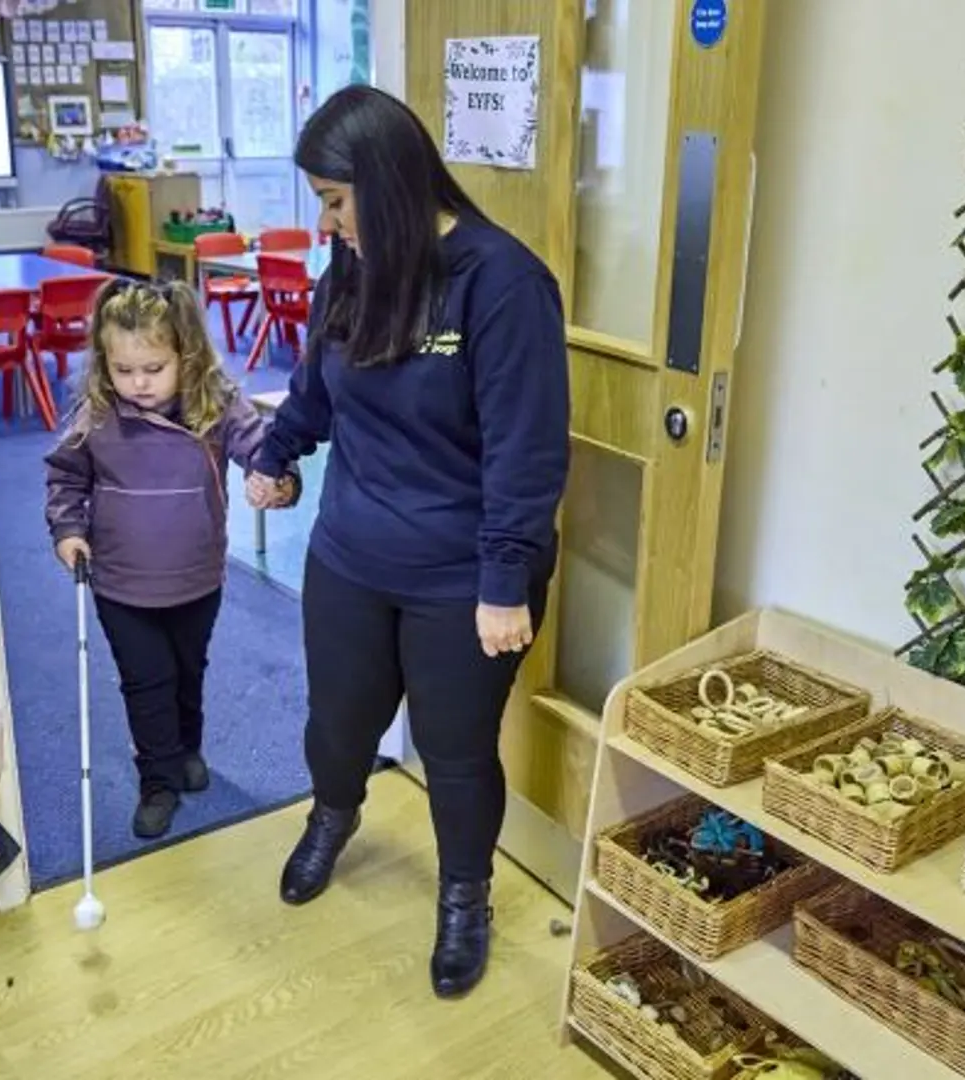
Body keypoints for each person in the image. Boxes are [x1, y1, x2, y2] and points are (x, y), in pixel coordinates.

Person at [246, 85, 569, 999]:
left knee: (456, 750)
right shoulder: (353, 271)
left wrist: (505, 578)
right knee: (338, 723)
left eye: (335, 201)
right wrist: (277, 453)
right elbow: (316, 388)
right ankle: (332, 815)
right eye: (320, 201)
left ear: (384, 187)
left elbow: (528, 448)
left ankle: (465, 897)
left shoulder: (501, 283)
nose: (326, 223)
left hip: (464, 577)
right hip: (351, 553)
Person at [46, 278, 296, 839]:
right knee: (146, 680)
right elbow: (65, 477)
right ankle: (156, 780)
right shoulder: (98, 414)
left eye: (154, 369)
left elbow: (262, 449)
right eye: (123, 370)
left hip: (197, 576)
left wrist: (277, 479)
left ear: (186, 354)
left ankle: (186, 749)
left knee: (188, 670)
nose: (138, 384)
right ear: (104, 363)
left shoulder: (217, 403)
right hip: (120, 582)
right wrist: (68, 530)